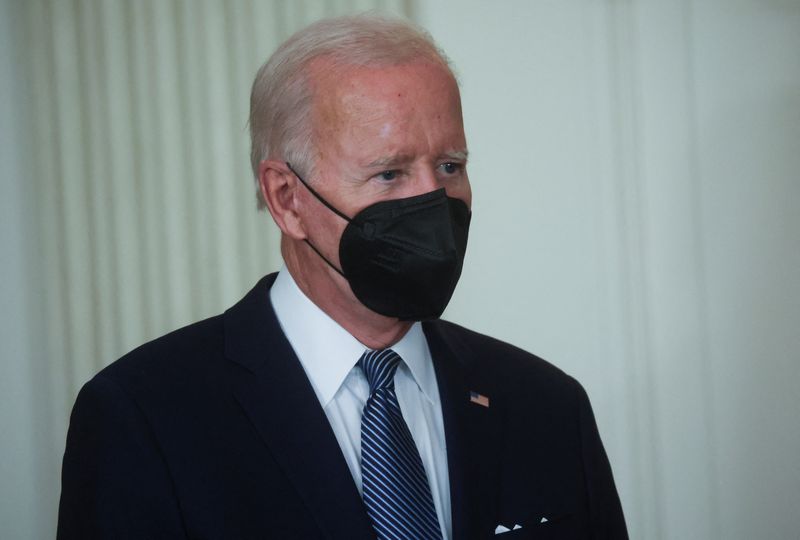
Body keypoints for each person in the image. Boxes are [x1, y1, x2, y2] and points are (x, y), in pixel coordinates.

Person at [57, 14, 627, 540]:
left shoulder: (548, 407)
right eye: (388, 173)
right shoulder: (144, 417)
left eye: (450, 165)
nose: (432, 200)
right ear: (287, 199)